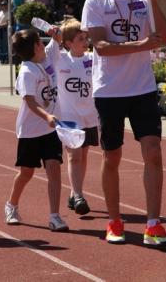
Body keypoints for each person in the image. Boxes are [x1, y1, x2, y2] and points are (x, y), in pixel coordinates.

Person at [81, 0, 166, 246]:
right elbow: (102, 48)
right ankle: (114, 221)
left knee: (154, 152)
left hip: (143, 89)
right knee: (112, 156)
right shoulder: (95, 3)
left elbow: (165, 36)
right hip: (109, 92)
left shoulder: (143, 0)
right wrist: (143, 45)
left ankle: (153, 224)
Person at [4, 28, 68, 232]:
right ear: (35, 47)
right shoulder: (27, 72)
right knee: (26, 172)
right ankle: (12, 205)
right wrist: (47, 116)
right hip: (31, 131)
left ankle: (55, 216)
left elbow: (56, 41)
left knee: (54, 169)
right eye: (40, 41)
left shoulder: (46, 57)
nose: (43, 43)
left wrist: (56, 34)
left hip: (51, 130)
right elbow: (30, 101)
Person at [45, 18, 97, 216]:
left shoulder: (92, 59)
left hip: (89, 116)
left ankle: (74, 192)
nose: (85, 41)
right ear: (68, 43)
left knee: (83, 156)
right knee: (74, 156)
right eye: (80, 38)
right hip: (68, 117)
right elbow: (49, 55)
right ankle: (78, 194)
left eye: (85, 37)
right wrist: (54, 38)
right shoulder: (60, 59)